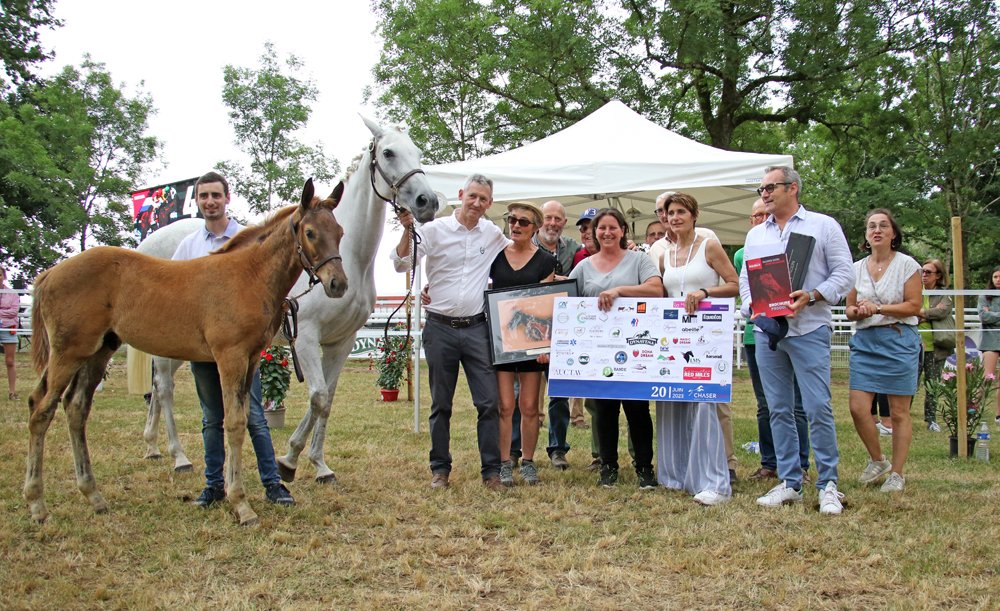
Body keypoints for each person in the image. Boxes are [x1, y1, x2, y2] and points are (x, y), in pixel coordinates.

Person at [172, 171, 294, 508]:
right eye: (204, 196)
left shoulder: (249, 239)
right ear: (197, 201)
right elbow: (173, 288)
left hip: (241, 342)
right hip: (203, 343)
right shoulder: (190, 246)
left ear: (227, 198)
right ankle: (214, 485)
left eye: (216, 195)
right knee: (212, 417)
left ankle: (272, 483)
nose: (210, 201)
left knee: (253, 414)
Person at [739, 166, 854, 515]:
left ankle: (828, 484)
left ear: (792, 188)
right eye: (761, 189)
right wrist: (753, 307)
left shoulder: (823, 226)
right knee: (778, 408)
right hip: (768, 331)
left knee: (817, 407)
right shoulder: (756, 235)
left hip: (810, 328)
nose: (764, 194)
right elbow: (746, 280)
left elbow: (845, 274)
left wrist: (814, 295)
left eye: (770, 187)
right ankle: (790, 481)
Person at [393, 174, 510, 491]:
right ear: (461, 194)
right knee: (441, 404)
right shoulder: (434, 230)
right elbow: (402, 263)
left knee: (488, 403)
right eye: (473, 196)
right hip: (439, 328)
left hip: (477, 329)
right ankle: (440, 470)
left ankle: (491, 472)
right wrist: (406, 229)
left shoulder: (492, 233)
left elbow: (519, 256)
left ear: (490, 203)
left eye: (483, 199)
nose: (477, 203)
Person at [568, 208, 663, 488]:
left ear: (623, 230)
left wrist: (619, 290)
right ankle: (607, 466)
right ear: (594, 232)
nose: (607, 233)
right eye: (602, 228)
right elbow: (568, 299)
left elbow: (656, 289)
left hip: (635, 348)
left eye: (613, 227)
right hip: (599, 351)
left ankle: (644, 467)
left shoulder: (639, 260)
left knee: (638, 410)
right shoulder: (584, 266)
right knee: (604, 410)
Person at [655, 192, 739, 505]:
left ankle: (713, 480)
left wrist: (705, 292)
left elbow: (735, 284)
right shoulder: (665, 254)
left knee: (705, 404)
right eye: (670, 213)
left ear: (694, 215)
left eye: (681, 212)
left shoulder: (709, 246)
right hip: (674, 339)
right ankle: (676, 474)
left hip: (707, 336)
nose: (675, 217)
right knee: (673, 403)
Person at [845, 208, 922, 493]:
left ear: (893, 234)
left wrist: (877, 308)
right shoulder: (855, 269)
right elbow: (849, 309)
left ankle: (897, 474)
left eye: (883, 226)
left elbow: (914, 306)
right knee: (857, 407)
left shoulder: (907, 265)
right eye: (871, 226)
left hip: (898, 340)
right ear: (866, 236)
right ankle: (878, 460)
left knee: (899, 412)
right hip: (865, 342)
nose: (876, 230)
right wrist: (858, 311)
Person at [733, 200, 811, 482]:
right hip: (757, 333)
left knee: (796, 404)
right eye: (755, 215)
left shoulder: (793, 249)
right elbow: (745, 289)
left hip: (792, 330)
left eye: (765, 214)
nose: (760, 219)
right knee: (766, 404)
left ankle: (800, 465)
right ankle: (769, 463)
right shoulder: (742, 254)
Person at [493, 202, 556, 486]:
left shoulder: (545, 261)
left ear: (535, 228)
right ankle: (504, 462)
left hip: (532, 343)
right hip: (502, 341)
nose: (516, 225)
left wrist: (545, 346)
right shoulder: (495, 256)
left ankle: (528, 462)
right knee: (505, 406)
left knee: (530, 406)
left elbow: (545, 306)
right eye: (512, 220)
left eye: (523, 222)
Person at [917, 258, 954, 432]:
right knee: (910, 383)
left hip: (936, 347)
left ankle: (931, 419)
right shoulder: (914, 290)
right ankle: (901, 417)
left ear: (938, 275)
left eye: (928, 272)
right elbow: (908, 310)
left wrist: (922, 313)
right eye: (922, 271)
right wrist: (924, 313)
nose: (924, 275)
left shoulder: (945, 294)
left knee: (932, 384)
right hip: (914, 346)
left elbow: (942, 311)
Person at [976, 266, 1000, 426]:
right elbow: (983, 316)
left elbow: (989, 316)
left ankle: (999, 414)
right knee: (986, 378)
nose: (998, 279)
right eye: (995, 277)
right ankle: (974, 410)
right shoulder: (984, 296)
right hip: (990, 341)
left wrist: (992, 315)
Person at [0, 266, 19, 401]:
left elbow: (14, 311)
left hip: (8, 328)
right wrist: (5, 311)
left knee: (10, 361)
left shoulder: (12, 293)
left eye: (0, 274)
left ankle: (12, 392)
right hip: (7, 322)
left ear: (4, 276)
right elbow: (9, 311)